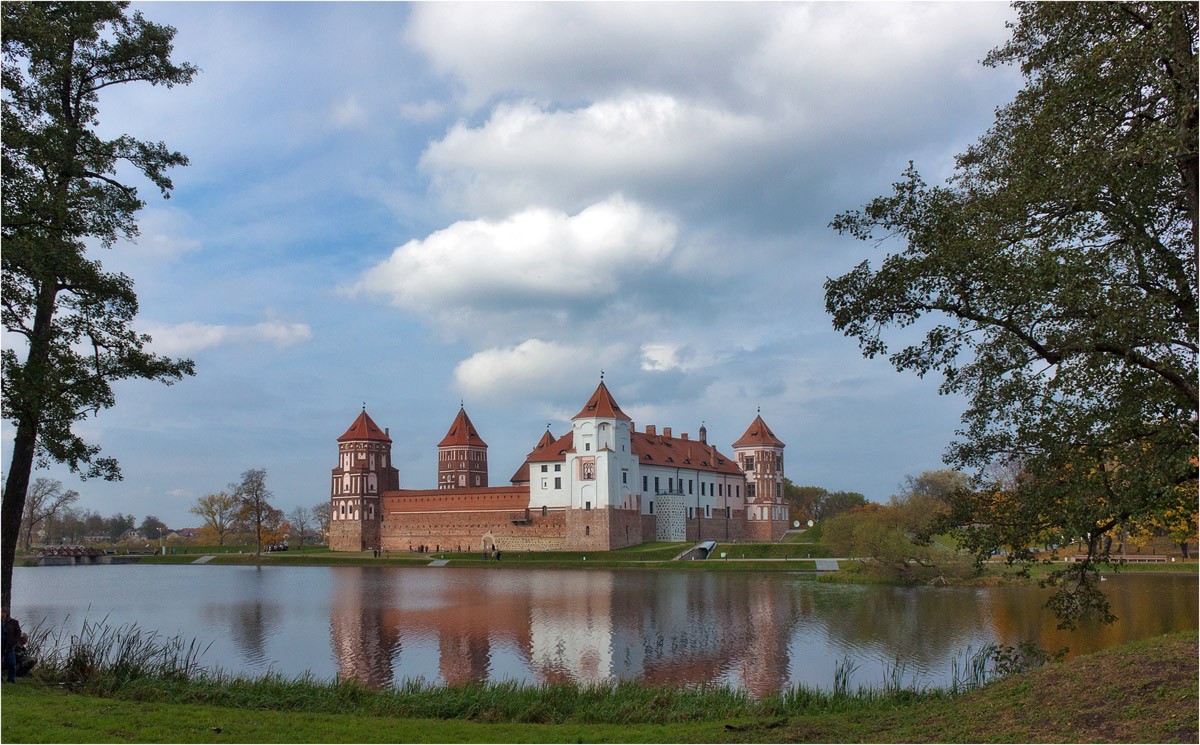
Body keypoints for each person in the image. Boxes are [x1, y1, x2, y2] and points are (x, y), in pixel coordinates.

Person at [2, 609, 23, 684]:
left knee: (12, 663)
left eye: (2, 612)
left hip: (9, 646)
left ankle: (11, 679)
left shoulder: (14, 622)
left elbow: (18, 633)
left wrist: (14, 642)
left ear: (6, 613)